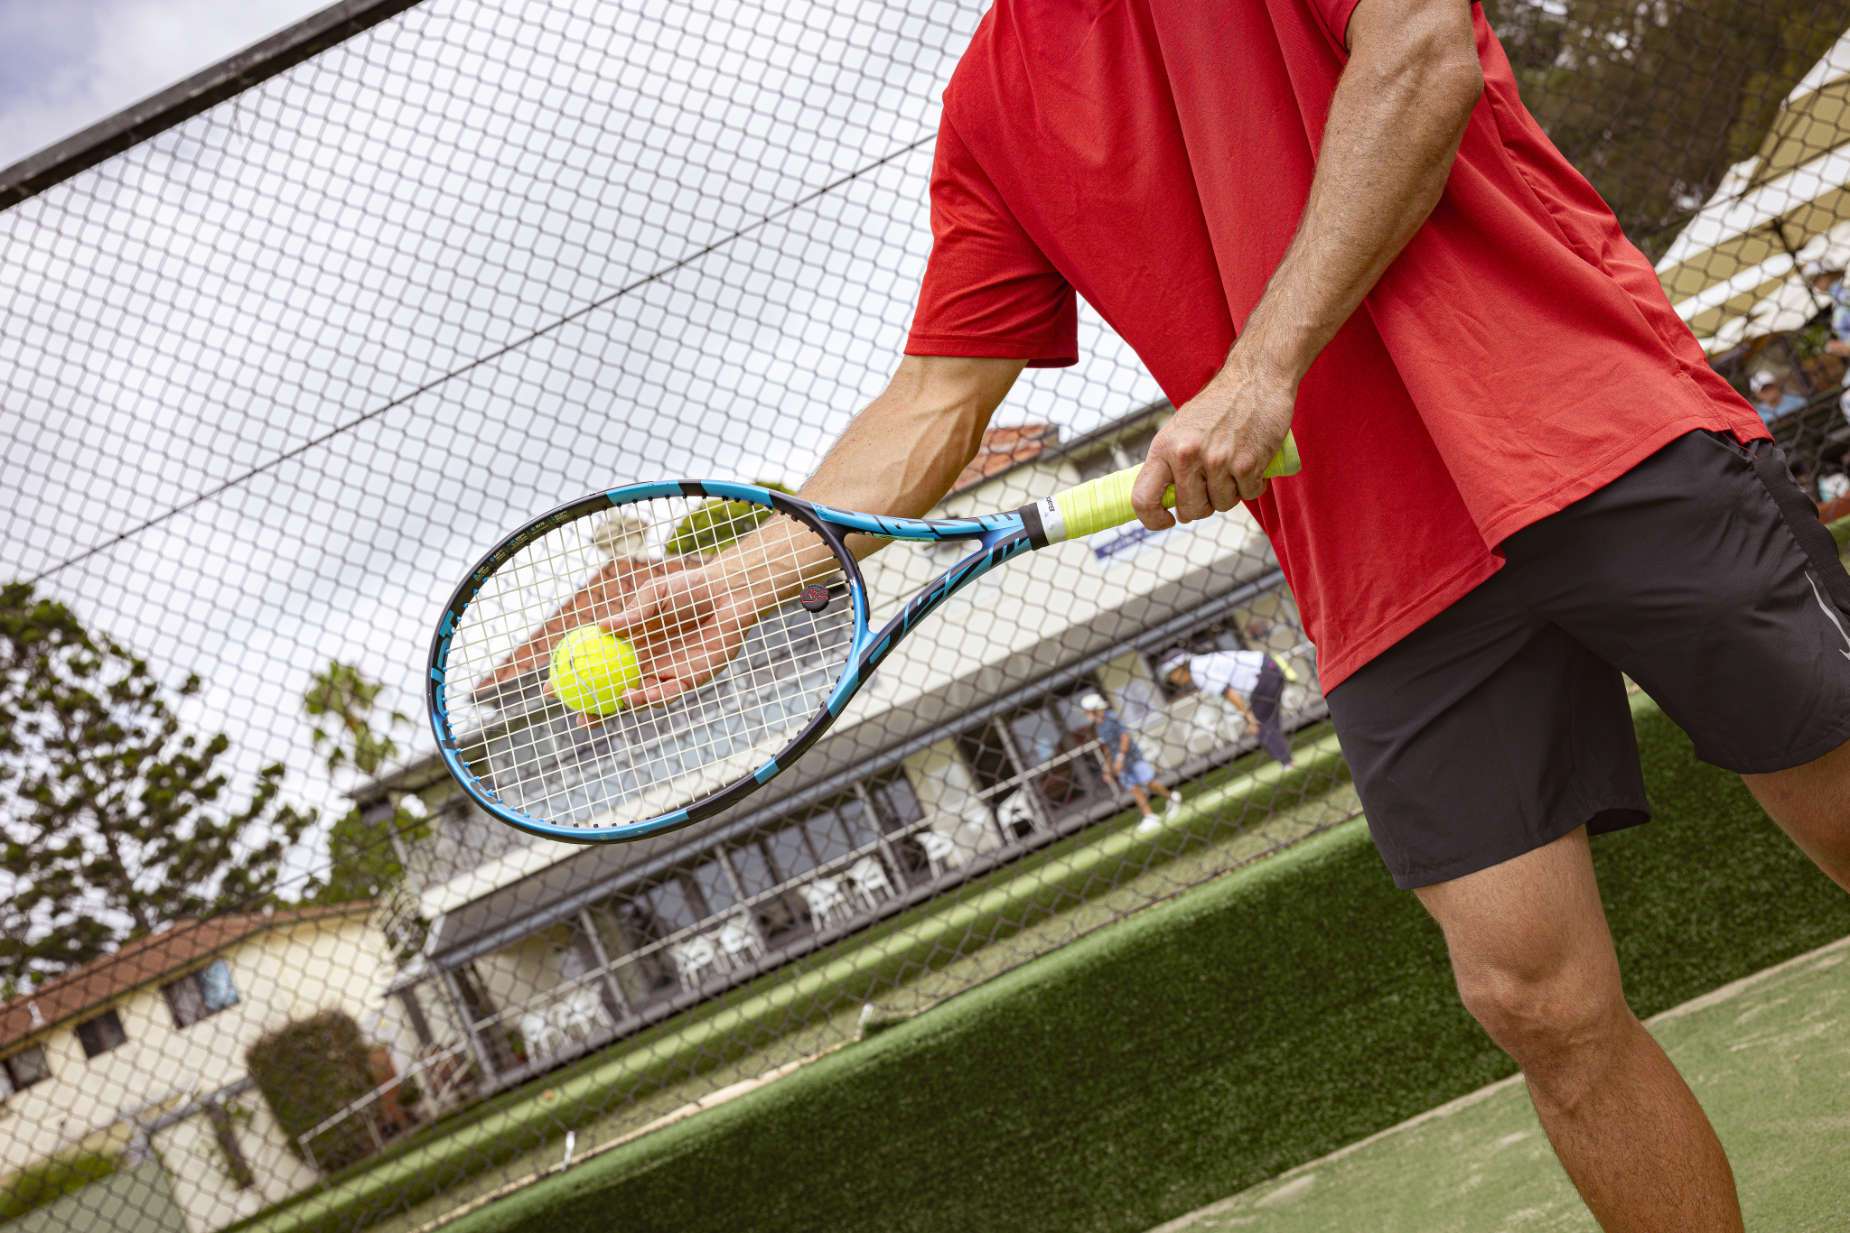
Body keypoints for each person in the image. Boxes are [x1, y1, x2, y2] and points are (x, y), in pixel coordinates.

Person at [612, 3, 1850, 1228]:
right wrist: (751, 571)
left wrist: (1261, 365)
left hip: (1591, 426)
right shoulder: (994, 98)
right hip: (1375, 571)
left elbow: (1417, 59)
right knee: (1533, 1002)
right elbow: (942, 389)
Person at [1162, 649, 1296, 769]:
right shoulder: (1201, 663)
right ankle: (1287, 761)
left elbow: (1228, 692)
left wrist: (1249, 717)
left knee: (1262, 727)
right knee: (1268, 725)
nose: (1172, 680)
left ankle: (1287, 763)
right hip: (1267, 669)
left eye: (1171, 675)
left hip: (1263, 675)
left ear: (1179, 668)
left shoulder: (1198, 672)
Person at [1079, 691, 1181, 834]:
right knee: (1134, 789)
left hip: (1133, 758)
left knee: (1149, 782)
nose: (1086, 714)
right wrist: (1108, 768)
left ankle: (1171, 797)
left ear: (1094, 709)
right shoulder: (1099, 727)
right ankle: (1149, 815)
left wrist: (1120, 758)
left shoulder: (1111, 718)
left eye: (1087, 711)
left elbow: (1125, 737)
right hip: (1120, 764)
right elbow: (1107, 747)